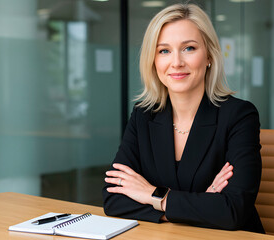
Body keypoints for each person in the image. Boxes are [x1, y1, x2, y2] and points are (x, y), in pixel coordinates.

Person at [102, 3, 264, 233]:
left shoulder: (239, 116)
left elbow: (231, 211)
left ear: (209, 55)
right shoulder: (143, 115)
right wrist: (198, 205)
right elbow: (113, 199)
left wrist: (153, 196)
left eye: (189, 48)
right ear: (154, 61)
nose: (176, 62)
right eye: (164, 51)